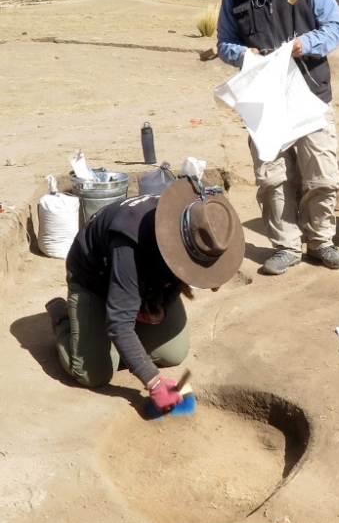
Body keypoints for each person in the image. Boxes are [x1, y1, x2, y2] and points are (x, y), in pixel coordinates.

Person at [44, 177, 244, 413]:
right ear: (181, 246)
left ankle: (111, 327)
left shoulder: (204, 221)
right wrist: (154, 382)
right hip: (94, 280)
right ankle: (64, 317)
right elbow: (119, 324)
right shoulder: (130, 238)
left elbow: (178, 279)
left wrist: (163, 304)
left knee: (172, 353)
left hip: (141, 278)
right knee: (94, 373)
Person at [216, 0, 339, 276]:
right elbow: (225, 43)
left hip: (311, 92)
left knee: (321, 175)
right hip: (264, 102)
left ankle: (321, 241)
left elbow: (336, 27)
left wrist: (302, 45)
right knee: (272, 178)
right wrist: (246, 55)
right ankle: (286, 245)